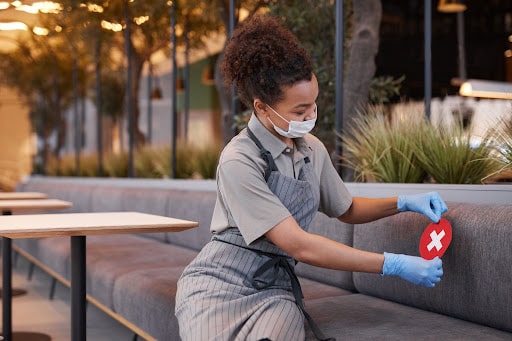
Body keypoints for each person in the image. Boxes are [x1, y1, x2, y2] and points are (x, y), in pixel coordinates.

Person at [175, 15, 447, 341]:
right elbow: (299, 246)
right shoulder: (239, 160)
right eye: (299, 111)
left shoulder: (313, 150)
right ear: (262, 108)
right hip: (218, 284)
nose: (310, 116)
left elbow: (346, 209)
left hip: (275, 289)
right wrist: (394, 265)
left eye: (313, 105)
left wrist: (404, 203)